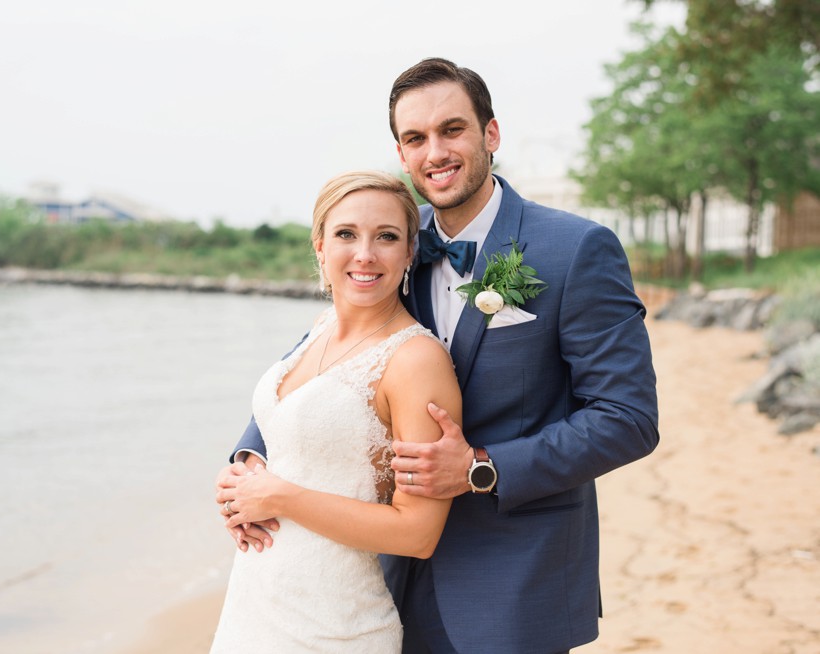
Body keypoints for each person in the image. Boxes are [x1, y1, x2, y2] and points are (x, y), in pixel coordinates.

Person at [220, 57, 659, 653]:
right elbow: (323, 356)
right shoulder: (393, 240)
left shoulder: (575, 249)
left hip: (514, 575)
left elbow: (627, 419)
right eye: (415, 138)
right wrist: (250, 458)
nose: (436, 152)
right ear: (401, 154)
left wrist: (483, 466)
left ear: (491, 134)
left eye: (452, 129)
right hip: (383, 575)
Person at [210, 170, 463, 653]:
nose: (365, 253)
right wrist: (244, 474)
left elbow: (418, 533)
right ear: (320, 247)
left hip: (334, 624)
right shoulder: (321, 326)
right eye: (346, 234)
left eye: (386, 237)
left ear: (410, 252)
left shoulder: (415, 361)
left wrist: (279, 497)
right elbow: (292, 439)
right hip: (255, 602)